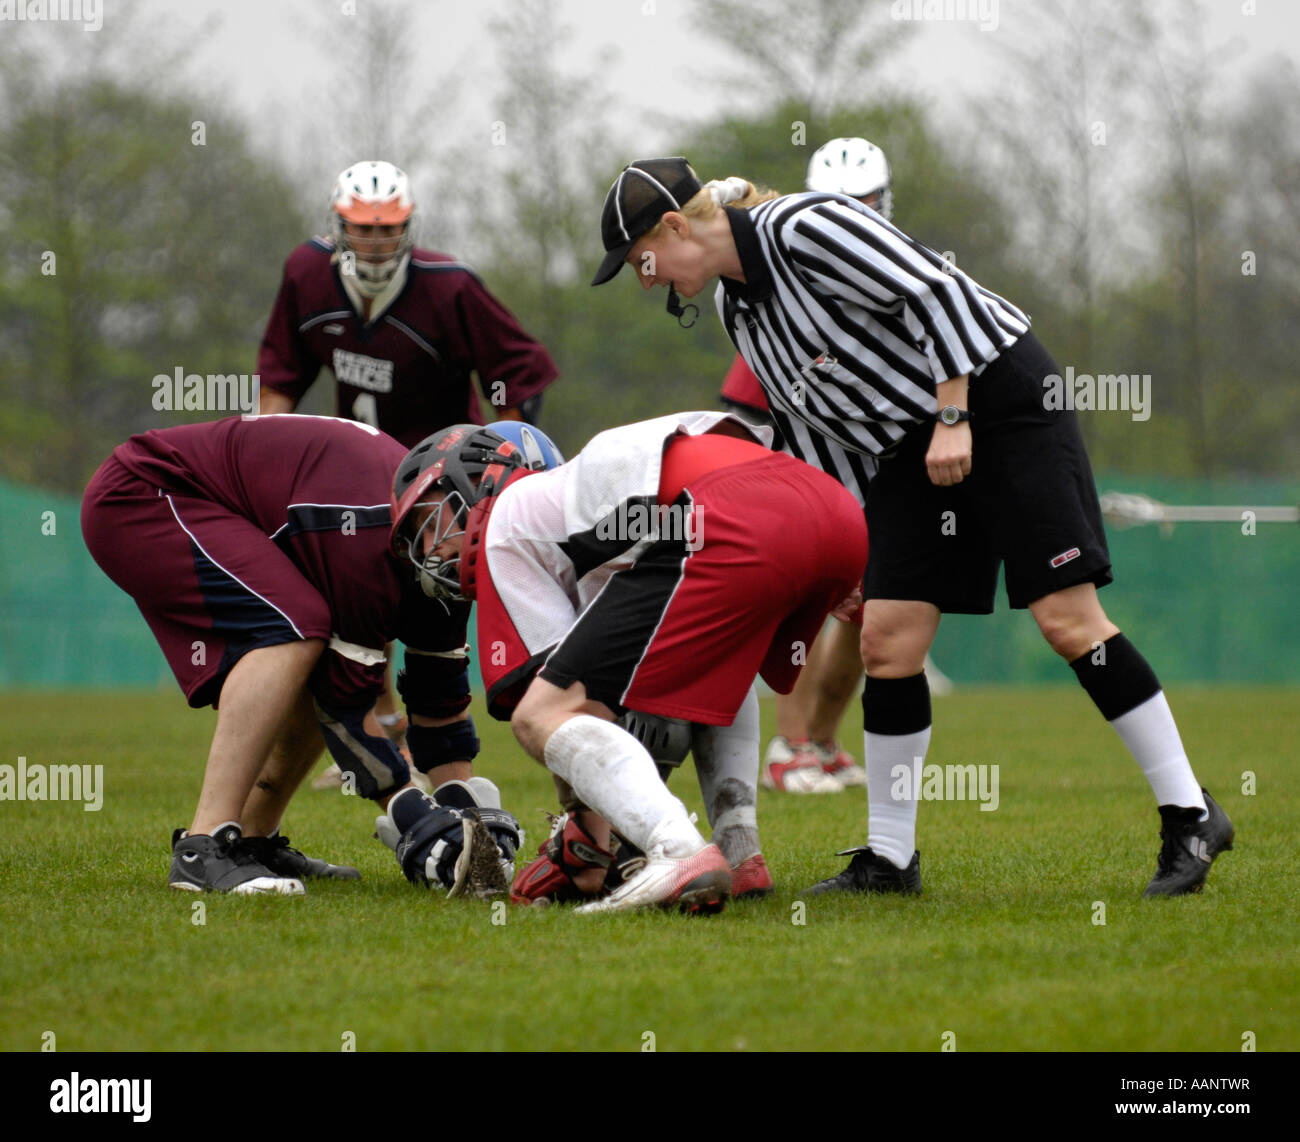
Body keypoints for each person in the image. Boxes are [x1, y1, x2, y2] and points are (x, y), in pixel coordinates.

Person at [591, 157, 1233, 899]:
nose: (645, 279)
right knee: (886, 638)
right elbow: (814, 433)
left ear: (675, 226)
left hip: (1001, 401)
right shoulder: (740, 312)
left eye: (641, 260)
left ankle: (1191, 814)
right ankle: (891, 861)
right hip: (909, 447)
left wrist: (955, 414)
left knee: (1067, 620)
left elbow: (939, 291)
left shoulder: (806, 226)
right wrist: (843, 549)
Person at [388, 412, 868, 913]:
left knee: (540, 715)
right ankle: (740, 853)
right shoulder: (594, 508)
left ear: (475, 480)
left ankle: (677, 849)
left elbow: (563, 704)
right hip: (831, 509)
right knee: (715, 660)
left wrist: (583, 844)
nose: (428, 549)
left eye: (430, 520)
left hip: (728, 514)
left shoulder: (508, 520)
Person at [81, 413, 536, 898]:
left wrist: (462, 811)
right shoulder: (366, 530)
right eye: (471, 521)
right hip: (145, 491)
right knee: (294, 630)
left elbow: (438, 697)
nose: (471, 545)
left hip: (198, 498)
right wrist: (410, 809)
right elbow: (344, 706)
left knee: (311, 646)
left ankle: (251, 843)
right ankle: (204, 847)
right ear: (437, 489)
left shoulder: (431, 546)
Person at [256, 159, 561, 782]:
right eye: (361, 229)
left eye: (386, 228)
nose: (374, 241)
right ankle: (384, 731)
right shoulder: (307, 274)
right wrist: (265, 458)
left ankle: (447, 733)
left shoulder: (449, 287)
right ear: (338, 226)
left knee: (432, 601)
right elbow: (280, 379)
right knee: (357, 598)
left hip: (441, 478)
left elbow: (519, 369)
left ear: (408, 227)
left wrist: (507, 457)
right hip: (355, 466)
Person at [722, 137, 953, 795]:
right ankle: (787, 744)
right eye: (839, 206)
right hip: (806, 468)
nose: (854, 217)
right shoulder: (787, 288)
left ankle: (818, 740)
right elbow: (751, 404)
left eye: (865, 203)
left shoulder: (896, 275)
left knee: (867, 614)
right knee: (816, 599)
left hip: (884, 472)